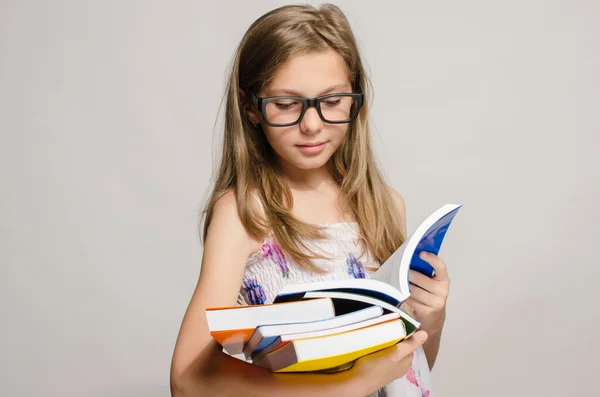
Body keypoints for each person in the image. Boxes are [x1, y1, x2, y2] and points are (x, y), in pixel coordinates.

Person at [170, 4, 451, 397]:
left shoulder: (386, 205)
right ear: (251, 108)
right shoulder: (244, 214)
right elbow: (187, 381)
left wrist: (430, 321)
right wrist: (348, 384)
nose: (312, 124)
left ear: (356, 100)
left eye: (332, 100)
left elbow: (408, 369)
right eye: (286, 105)